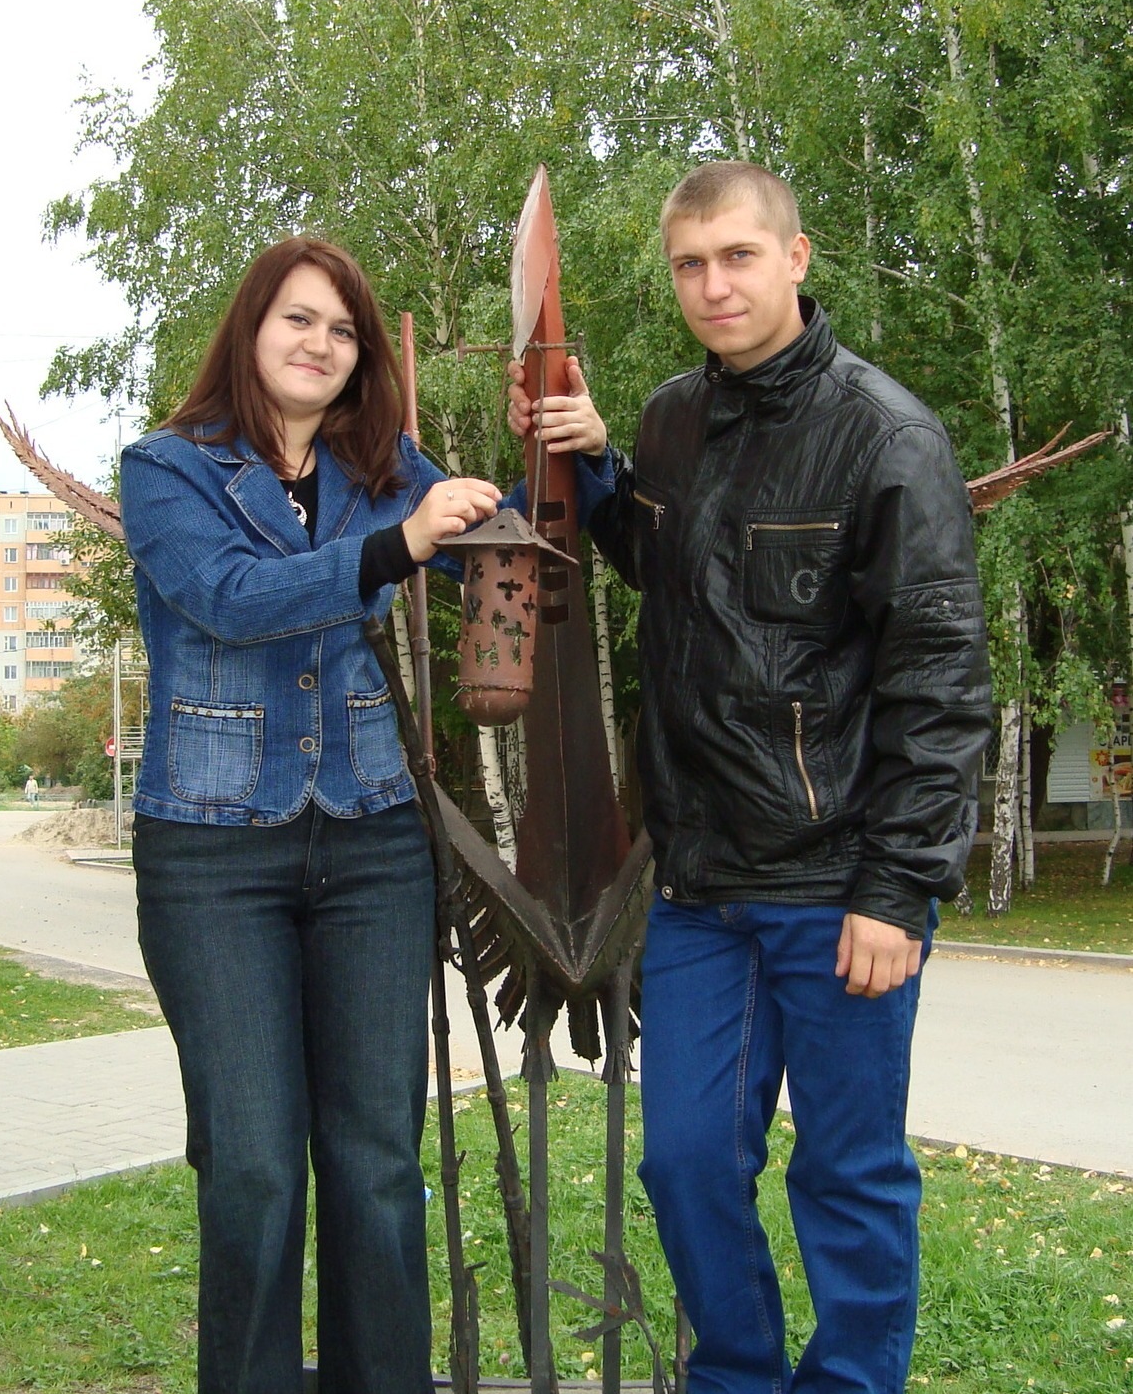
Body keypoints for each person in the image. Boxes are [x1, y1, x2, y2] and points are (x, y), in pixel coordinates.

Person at [507, 161, 993, 1393]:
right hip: (698, 889)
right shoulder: (673, 419)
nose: (713, 285)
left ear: (795, 257)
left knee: (848, 1171)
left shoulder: (886, 436)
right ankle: (735, 1376)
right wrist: (599, 465)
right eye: (689, 264)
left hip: (838, 886)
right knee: (683, 1163)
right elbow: (667, 570)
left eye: (736, 256)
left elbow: (941, 684)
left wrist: (898, 888)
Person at [120, 235, 501, 1394]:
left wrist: (569, 463)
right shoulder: (168, 469)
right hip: (211, 854)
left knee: (376, 1163)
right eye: (298, 318)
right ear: (250, 328)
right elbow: (230, 600)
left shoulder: (380, 463)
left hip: (372, 839)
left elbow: (500, 544)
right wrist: (398, 544)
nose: (320, 344)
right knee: (252, 1168)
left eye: (342, 330)